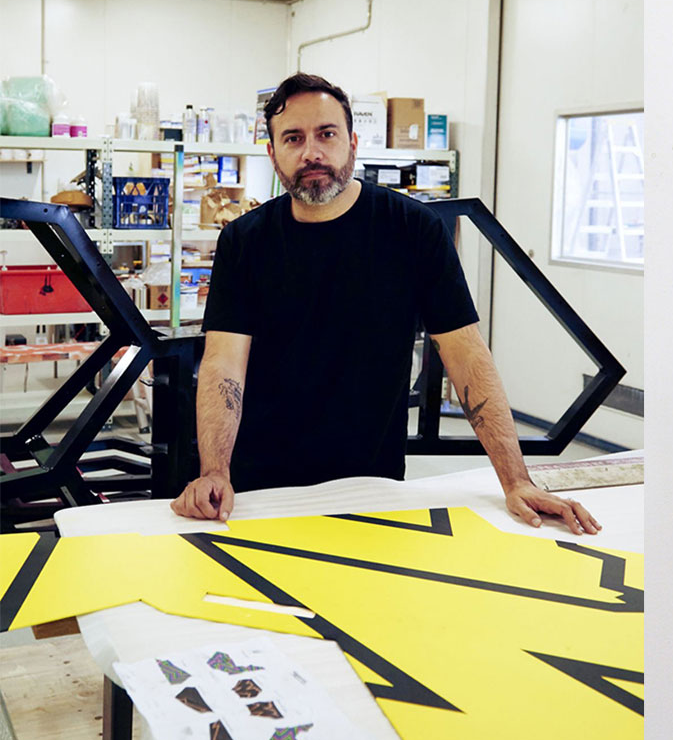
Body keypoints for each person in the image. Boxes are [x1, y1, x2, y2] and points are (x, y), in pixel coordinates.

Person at [170, 73, 598, 535]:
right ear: (272, 153)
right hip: (260, 488)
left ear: (352, 142)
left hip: (372, 483)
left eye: (326, 134)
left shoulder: (413, 231)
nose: (311, 152)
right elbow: (223, 365)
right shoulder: (244, 241)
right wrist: (214, 471)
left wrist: (516, 481)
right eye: (293, 138)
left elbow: (467, 357)